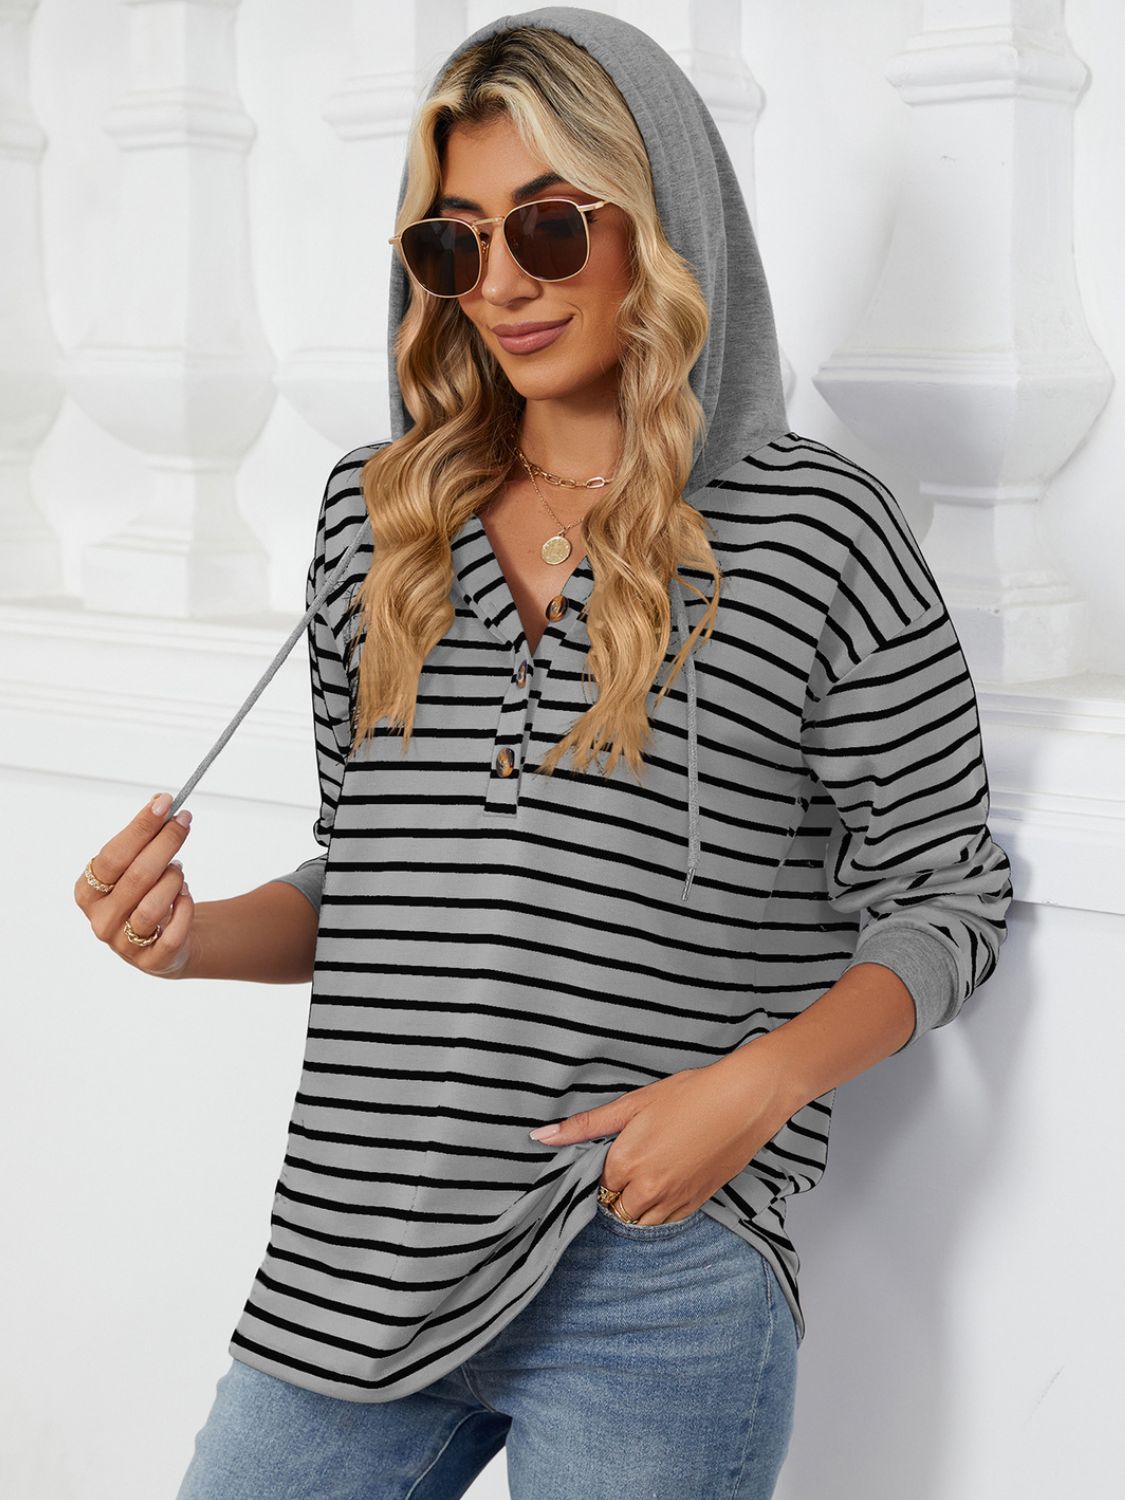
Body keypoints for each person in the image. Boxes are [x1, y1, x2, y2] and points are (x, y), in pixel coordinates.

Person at [75, 9, 1014, 1497]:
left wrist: (753, 1088)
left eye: (551, 228)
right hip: (356, 1253)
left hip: (651, 1267)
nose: (501, 284)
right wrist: (190, 940)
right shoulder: (375, 521)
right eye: (454, 245)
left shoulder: (817, 529)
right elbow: (378, 882)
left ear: (657, 221)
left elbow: (948, 896)